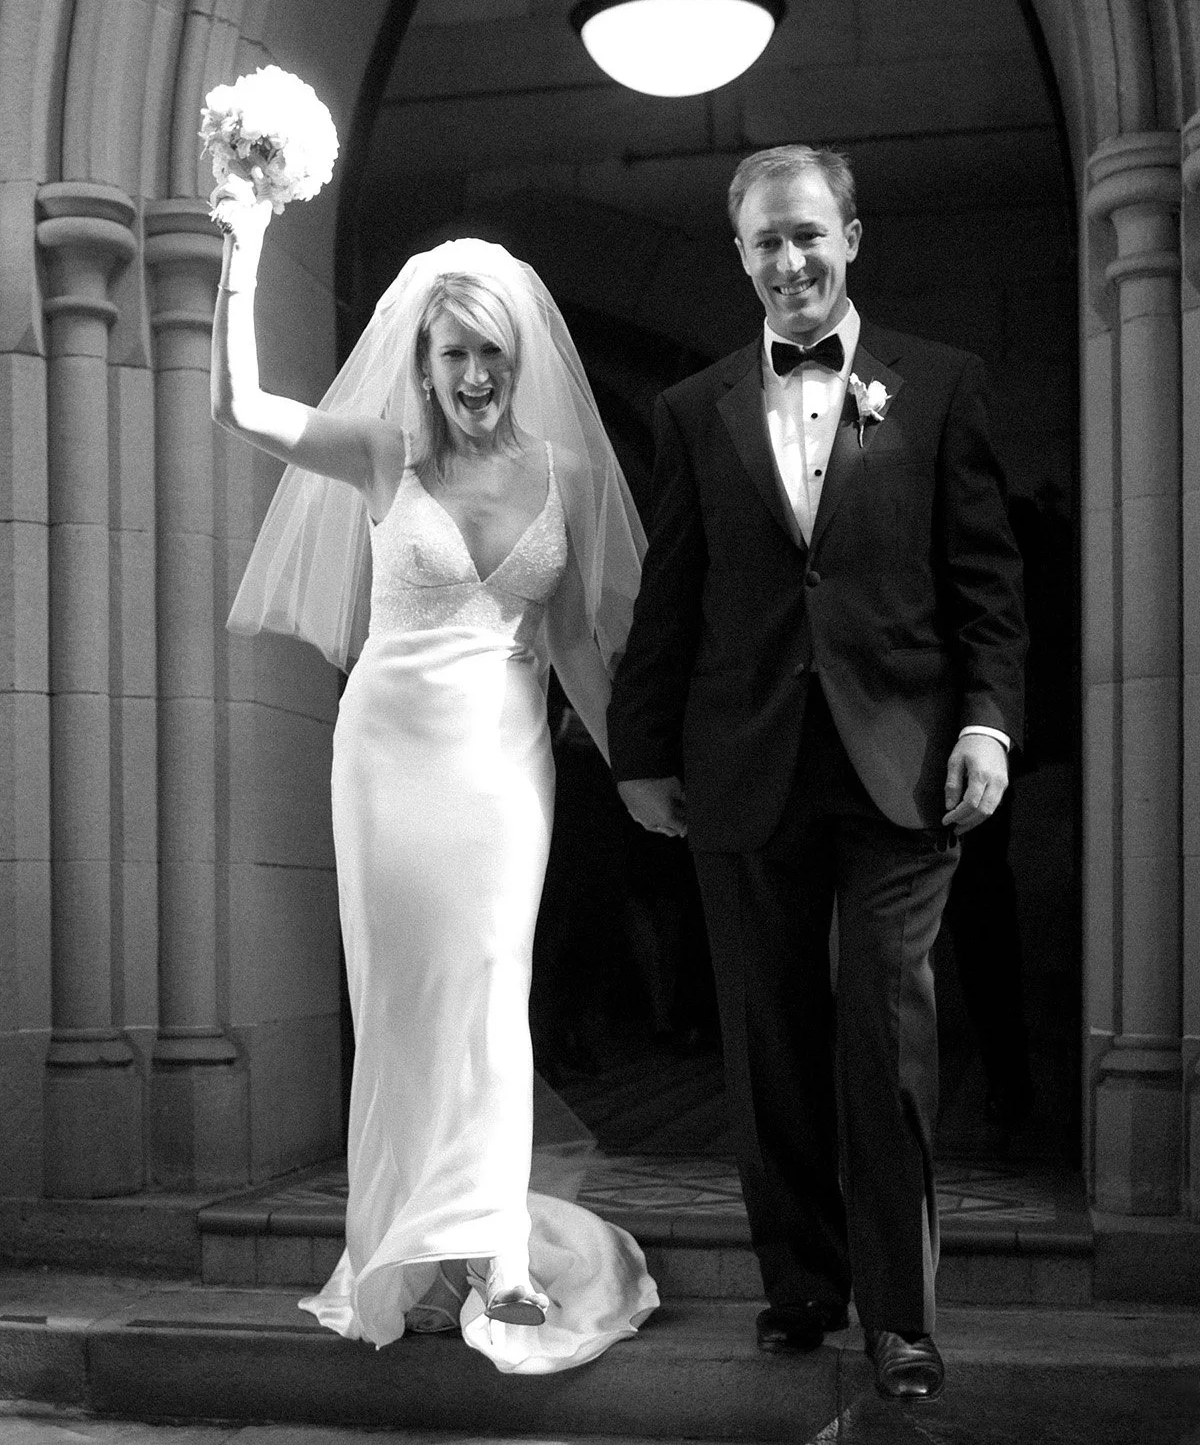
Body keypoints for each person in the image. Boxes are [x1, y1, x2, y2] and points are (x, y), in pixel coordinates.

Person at [210, 186, 657, 1375]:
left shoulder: (558, 470)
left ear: (518, 360)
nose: (475, 375)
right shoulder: (379, 454)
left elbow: (572, 647)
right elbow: (239, 404)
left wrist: (637, 777)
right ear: (422, 357)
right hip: (387, 758)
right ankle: (402, 1253)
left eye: (492, 354)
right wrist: (244, 243)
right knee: (405, 1004)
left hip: (504, 764)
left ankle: (500, 1256)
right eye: (454, 352)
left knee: (491, 987)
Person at [606, 145, 1025, 1401]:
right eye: (764, 244)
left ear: (851, 237)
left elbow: (987, 585)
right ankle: (801, 1283)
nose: (788, 263)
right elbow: (668, 595)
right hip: (744, 764)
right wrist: (639, 755)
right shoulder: (693, 410)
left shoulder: (944, 388)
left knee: (886, 1030)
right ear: (738, 257)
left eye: (807, 236)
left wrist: (989, 723)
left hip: (901, 764)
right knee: (767, 1037)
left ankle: (901, 1316)